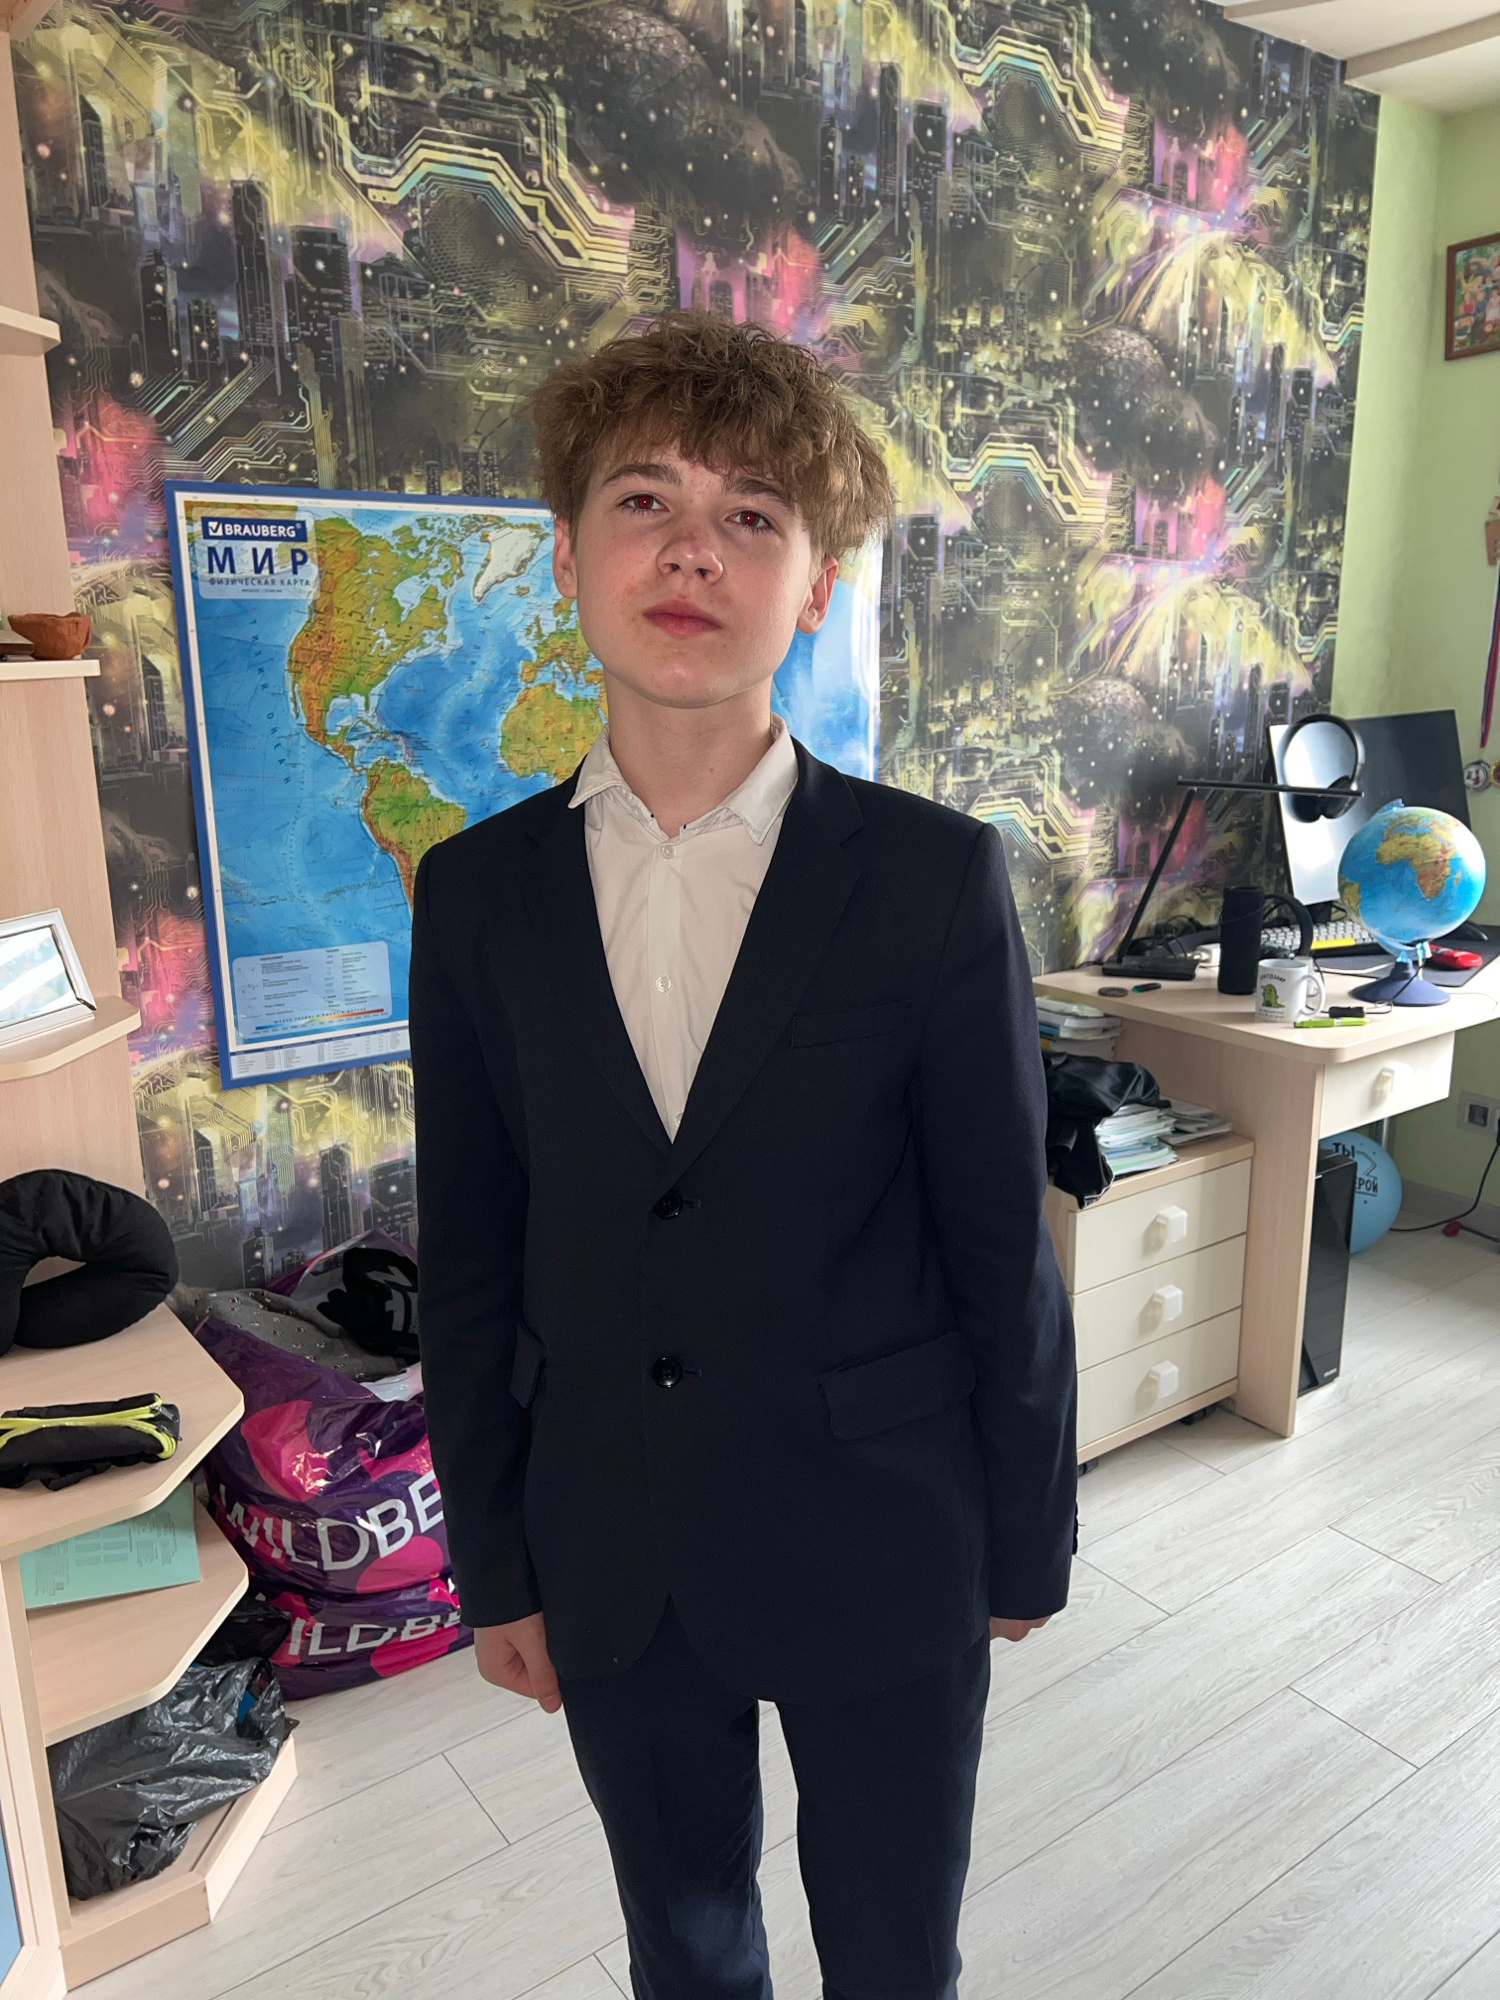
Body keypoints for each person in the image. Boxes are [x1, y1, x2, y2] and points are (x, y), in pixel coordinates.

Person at [410, 309, 1077, 2000]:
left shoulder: (933, 880)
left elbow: (999, 1238)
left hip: (885, 1531)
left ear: (816, 586)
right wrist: (492, 1557)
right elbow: (471, 1254)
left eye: (753, 516)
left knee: (893, 1946)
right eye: (644, 501)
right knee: (685, 1940)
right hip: (610, 1545)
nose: (693, 549)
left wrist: (1027, 1532)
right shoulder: (476, 896)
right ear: (569, 555)